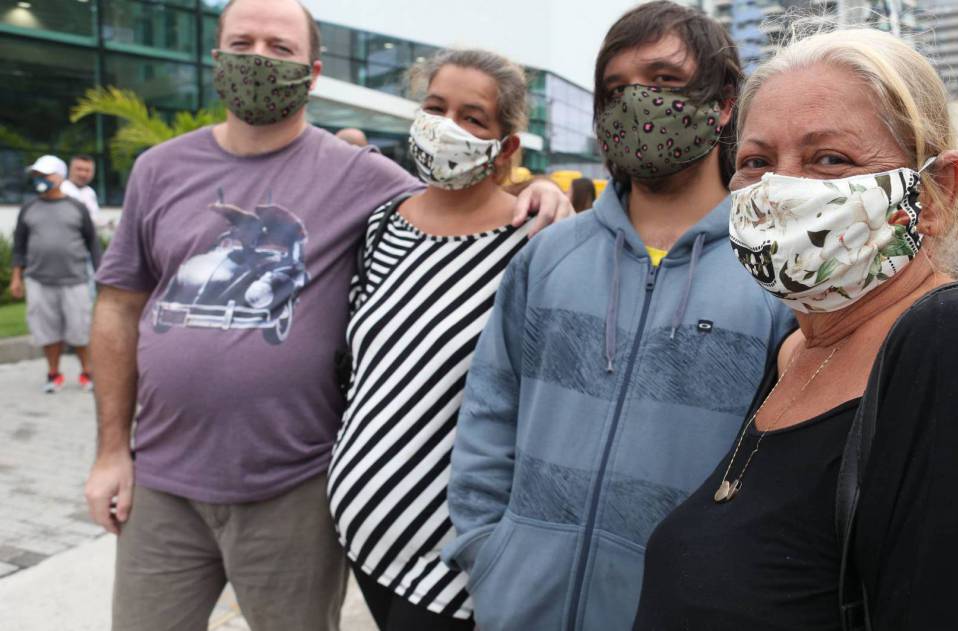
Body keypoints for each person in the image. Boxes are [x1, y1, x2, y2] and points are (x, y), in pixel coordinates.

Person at [82, 0, 570, 629]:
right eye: (242, 41)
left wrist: (541, 193)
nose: (257, 57)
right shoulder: (158, 169)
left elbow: (455, 202)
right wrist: (109, 452)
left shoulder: (365, 179)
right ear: (216, 58)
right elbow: (118, 307)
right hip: (161, 485)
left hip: (293, 491)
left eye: (279, 47)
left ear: (312, 72)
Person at [633, 25, 958, 630]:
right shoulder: (797, 348)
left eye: (829, 159)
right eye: (756, 162)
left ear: (934, 193)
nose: (780, 190)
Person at [443, 4, 795, 629]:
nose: (638, 102)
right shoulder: (549, 255)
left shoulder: (773, 274)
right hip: (522, 604)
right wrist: (487, 550)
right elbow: (490, 410)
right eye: (617, 89)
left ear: (722, 103)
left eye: (662, 81)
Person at [327, 48, 535, 631]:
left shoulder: (531, 245)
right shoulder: (381, 225)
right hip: (362, 538)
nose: (447, 126)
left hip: (452, 557)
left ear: (506, 147)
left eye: (473, 118)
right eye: (435, 106)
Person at [10, 154, 101, 393]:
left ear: (59, 177)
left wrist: (102, 276)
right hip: (39, 281)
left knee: (80, 331)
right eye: (37, 175)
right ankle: (53, 374)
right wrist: (16, 277)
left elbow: (92, 244)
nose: (39, 179)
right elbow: (19, 246)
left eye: (45, 174)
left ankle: (87, 373)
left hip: (75, 280)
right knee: (47, 331)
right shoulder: (28, 208)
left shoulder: (77, 207)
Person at [60, 154, 101, 220]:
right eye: (79, 169)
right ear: (70, 169)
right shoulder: (61, 190)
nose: (83, 174)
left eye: (87, 170)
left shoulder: (90, 192)